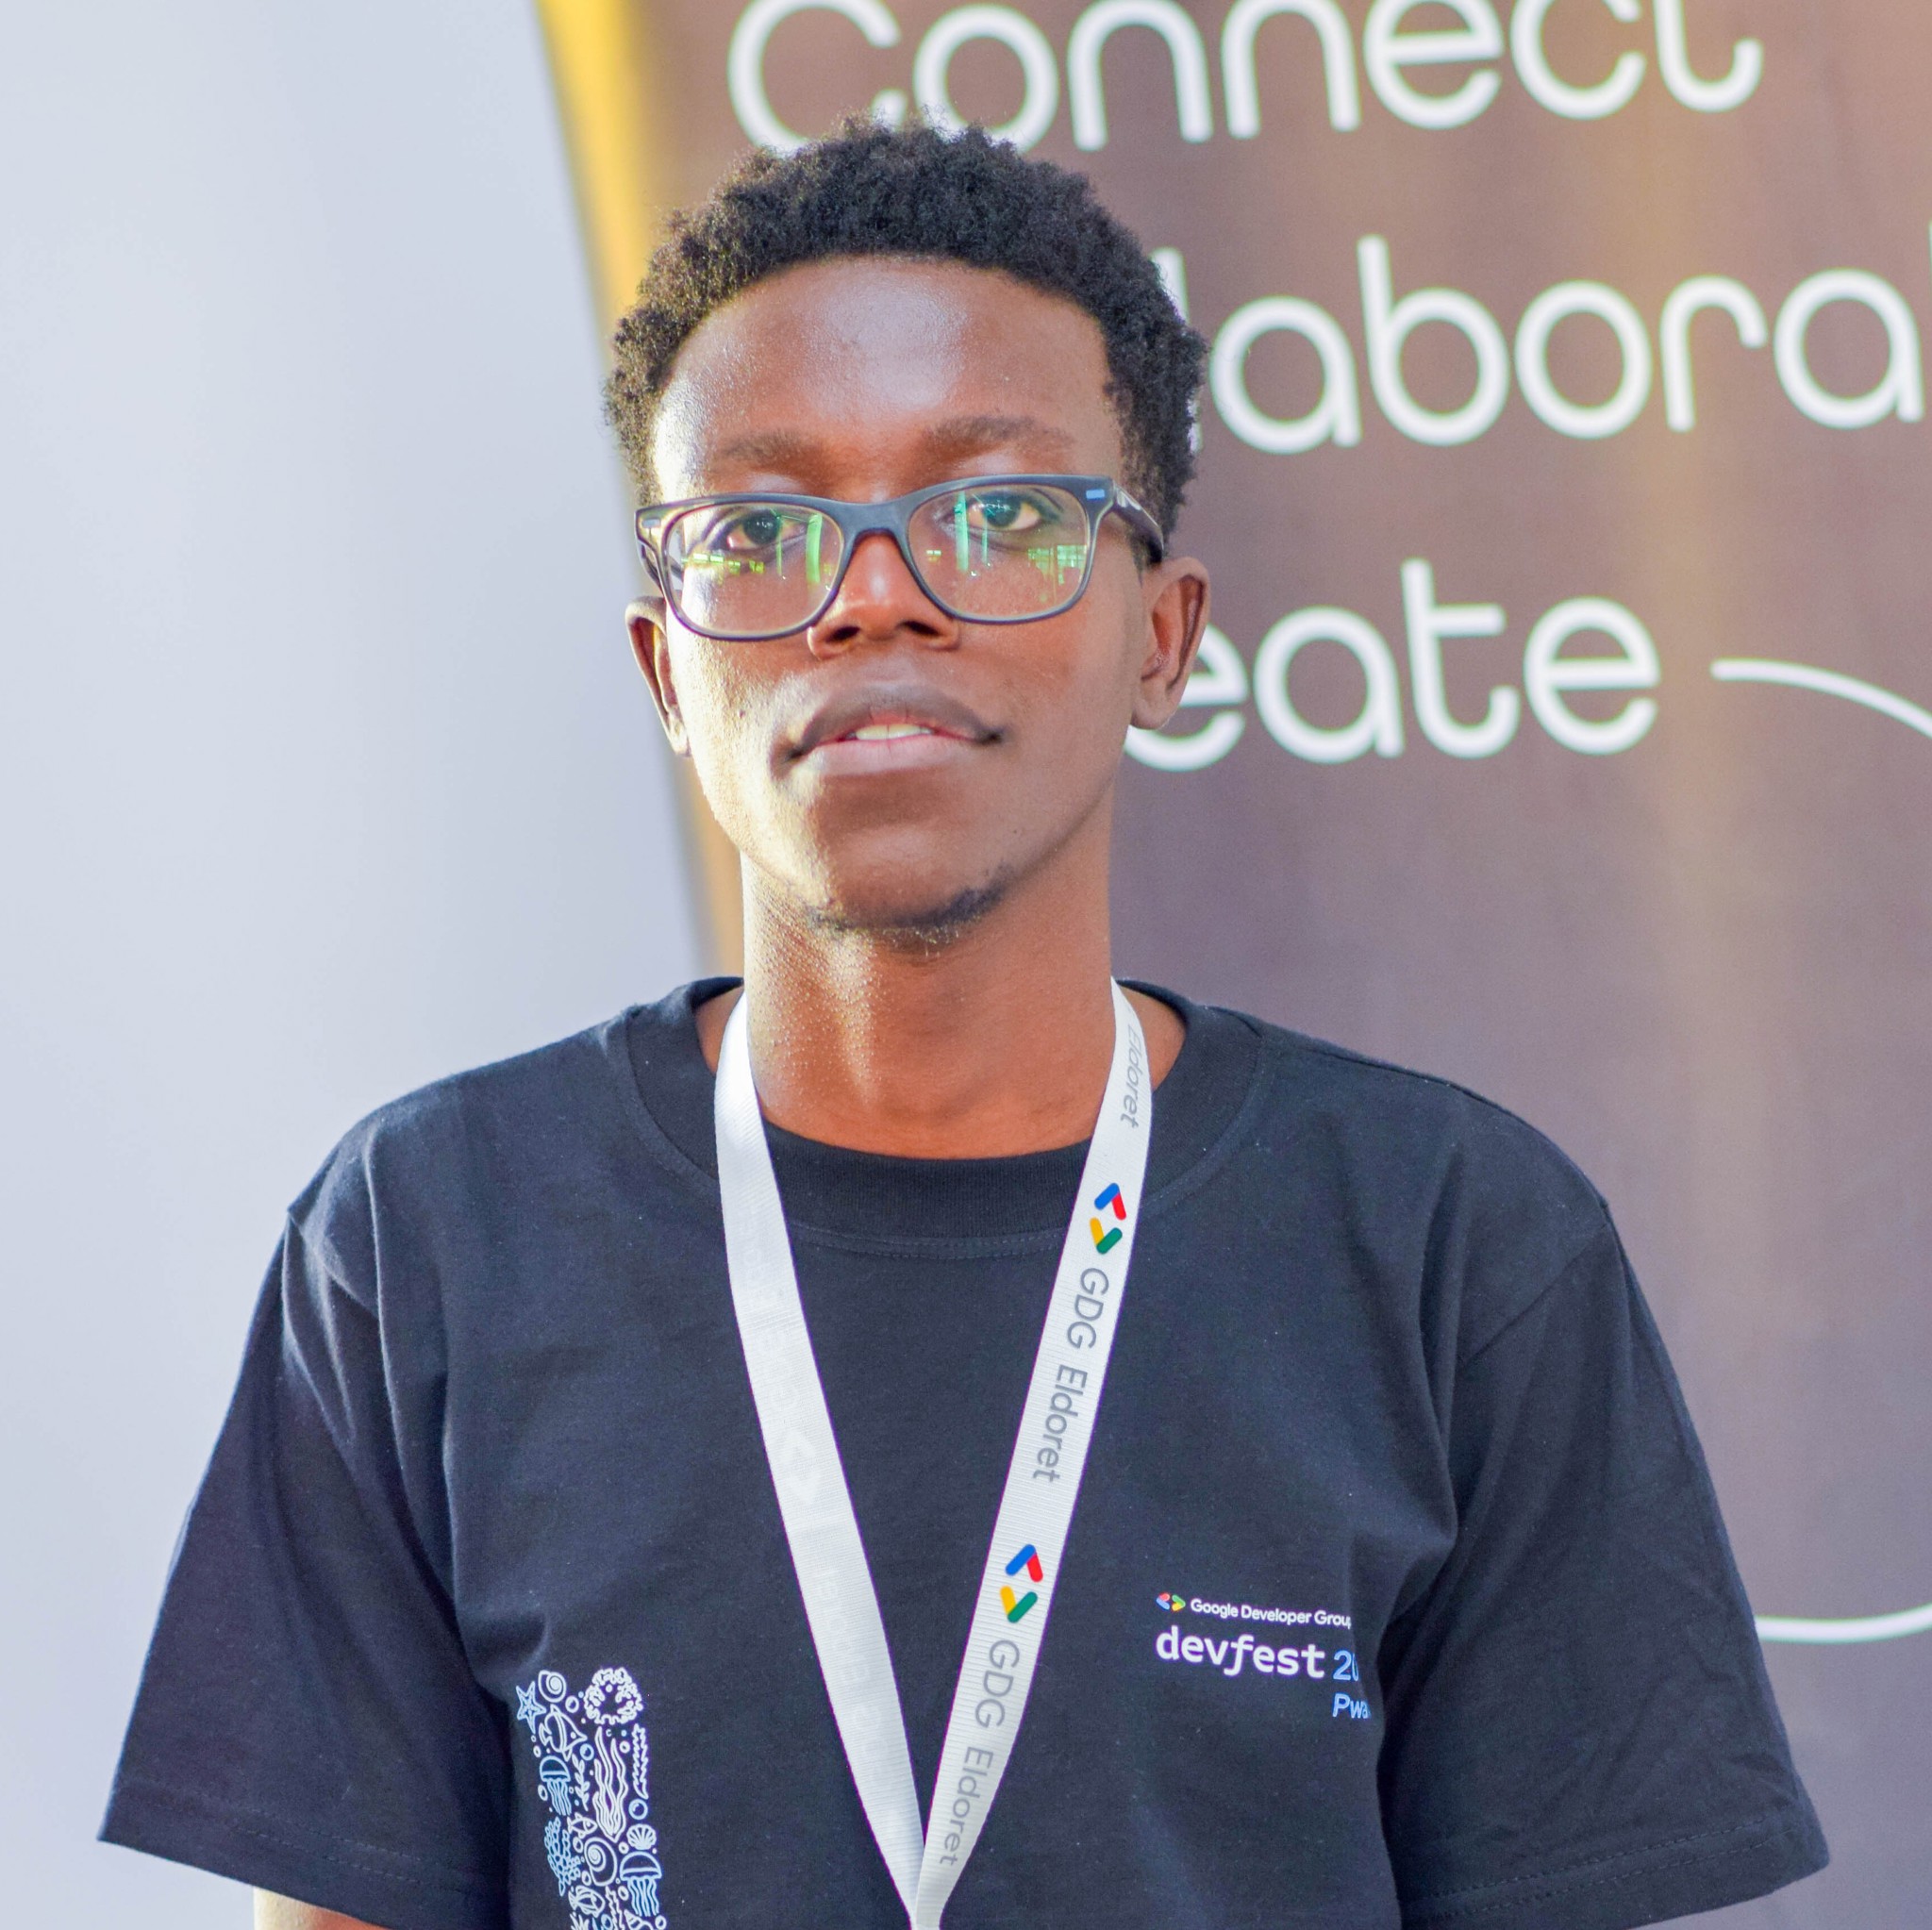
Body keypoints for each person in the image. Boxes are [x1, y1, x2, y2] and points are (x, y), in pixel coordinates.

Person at [105, 123, 1826, 1930]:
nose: (874, 593)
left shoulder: (1452, 1246)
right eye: (757, 531)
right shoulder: (425, 1241)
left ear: (1163, 635)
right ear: (666, 673)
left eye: (997, 515)